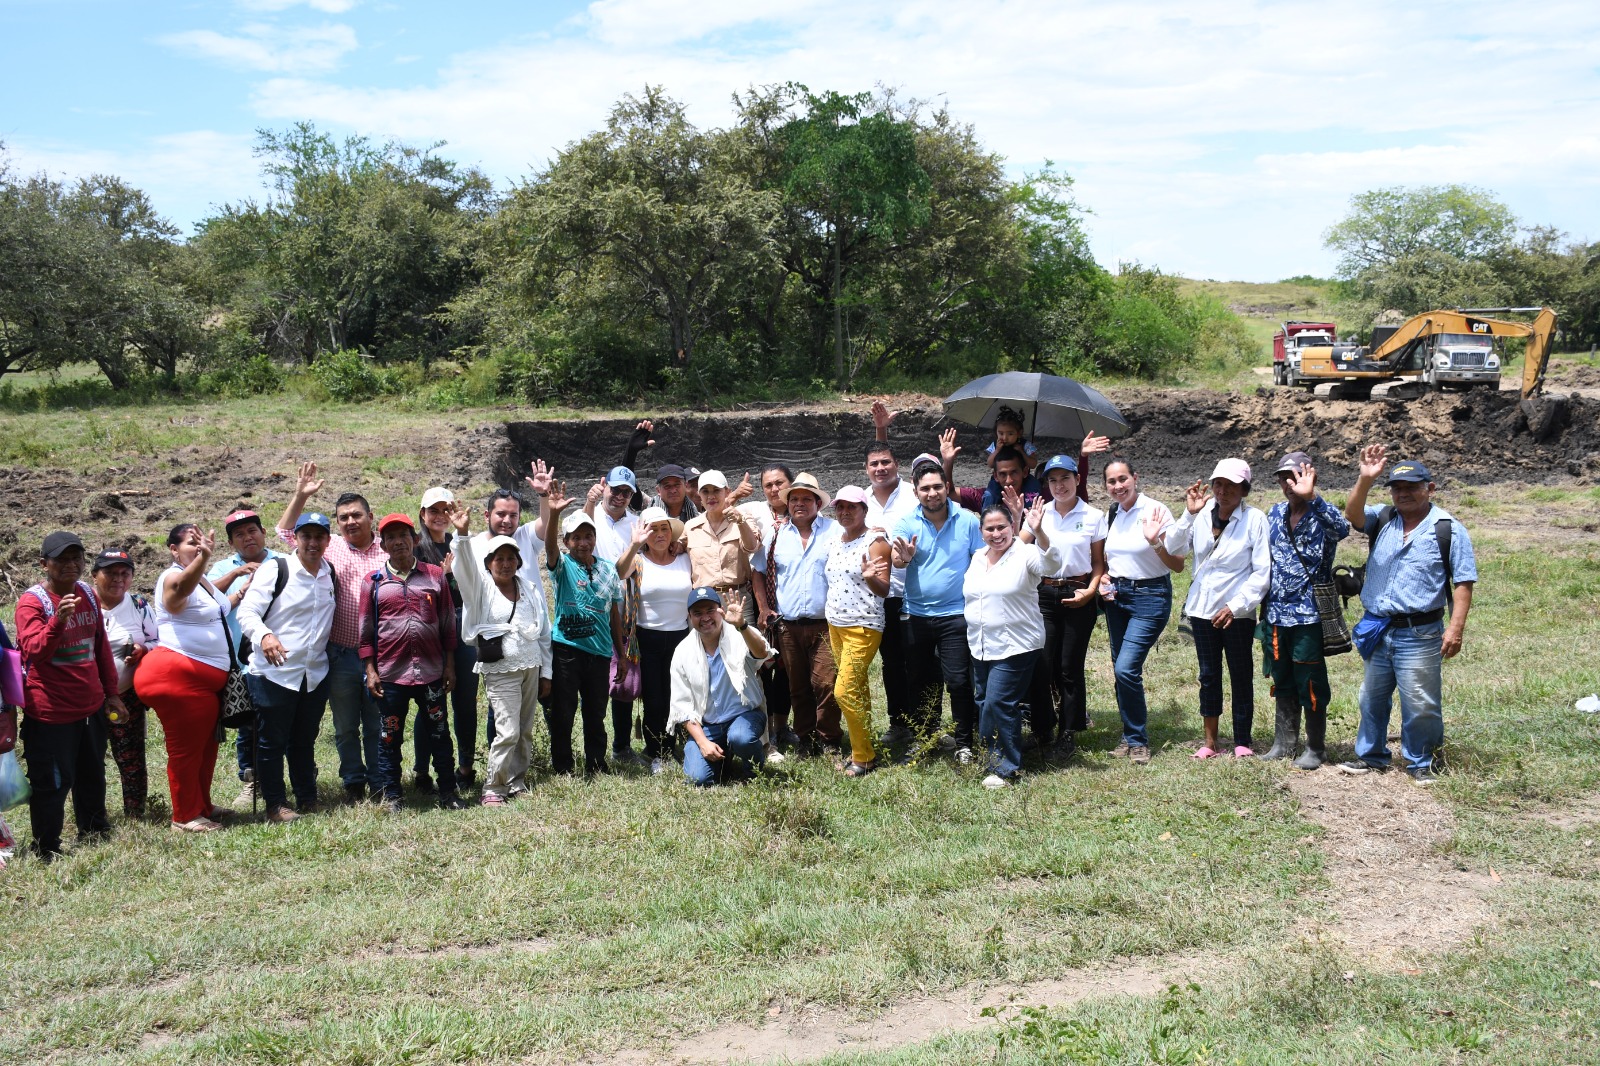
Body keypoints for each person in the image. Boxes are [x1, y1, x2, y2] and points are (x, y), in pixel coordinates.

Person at [1339, 448, 1476, 784]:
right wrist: (1365, 479)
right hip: (1378, 628)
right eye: (1397, 487)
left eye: (1412, 486)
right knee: (1371, 697)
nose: (1403, 493)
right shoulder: (1383, 518)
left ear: (1429, 488)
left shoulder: (1447, 528)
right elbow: (1352, 514)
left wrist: (1455, 628)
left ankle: (1421, 761)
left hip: (1421, 632)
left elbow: (1463, 582)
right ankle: (1371, 756)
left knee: (1421, 701)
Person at [278, 462, 388, 802]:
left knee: (376, 724)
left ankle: (380, 779)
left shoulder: (390, 548)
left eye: (356, 515)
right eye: (343, 517)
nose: (350, 521)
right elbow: (284, 534)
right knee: (344, 726)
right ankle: (353, 780)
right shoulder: (331, 546)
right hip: (339, 653)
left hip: (380, 655)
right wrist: (300, 495)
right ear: (337, 524)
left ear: (371, 517)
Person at [14, 532, 120, 860]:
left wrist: (111, 694)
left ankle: (94, 829)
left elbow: (100, 647)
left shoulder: (87, 593)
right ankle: (47, 846)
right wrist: (58, 620)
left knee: (92, 772)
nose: (71, 565)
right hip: (51, 713)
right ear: (44, 564)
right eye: (62, 559)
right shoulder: (33, 602)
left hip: (89, 706)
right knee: (54, 782)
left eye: (77, 558)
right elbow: (33, 651)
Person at [1164, 459, 1271, 759]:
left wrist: (1236, 606)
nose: (1223, 492)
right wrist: (1188, 512)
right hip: (1202, 610)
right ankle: (1210, 742)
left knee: (1240, 673)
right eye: (1219, 484)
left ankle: (1242, 741)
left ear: (1244, 490)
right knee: (1208, 674)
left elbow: (1261, 572)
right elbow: (1173, 546)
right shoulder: (1200, 517)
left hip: (1237, 613)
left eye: (1231, 486)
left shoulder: (1255, 520)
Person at [237, 512, 339, 823]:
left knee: (304, 739)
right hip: (274, 672)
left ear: (327, 541)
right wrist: (265, 635)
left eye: (319, 537)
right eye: (306, 536)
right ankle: (275, 804)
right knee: (271, 741)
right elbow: (247, 612)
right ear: (295, 538)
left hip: (313, 673)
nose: (312, 542)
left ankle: (307, 797)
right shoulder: (276, 569)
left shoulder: (328, 572)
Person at [359, 514, 464, 813]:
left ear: (415, 539)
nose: (398, 542)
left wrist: (450, 666)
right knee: (389, 737)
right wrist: (370, 670)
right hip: (391, 676)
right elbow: (365, 632)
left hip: (431, 674)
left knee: (440, 734)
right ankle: (393, 796)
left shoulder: (434, 576)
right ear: (383, 545)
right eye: (390, 537)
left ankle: (448, 792)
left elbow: (448, 626)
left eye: (403, 535)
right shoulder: (373, 583)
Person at [448, 504, 552, 805]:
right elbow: (464, 568)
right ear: (489, 562)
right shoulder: (480, 589)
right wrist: (463, 533)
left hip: (531, 664)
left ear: (518, 562)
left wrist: (546, 671)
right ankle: (493, 788)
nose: (505, 564)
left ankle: (516, 780)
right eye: (499, 559)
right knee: (506, 730)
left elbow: (542, 630)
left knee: (525, 730)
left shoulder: (530, 587)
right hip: (501, 669)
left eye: (510, 558)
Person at [135, 524, 234, 832]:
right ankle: (184, 815)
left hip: (201, 682)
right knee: (186, 751)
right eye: (192, 543)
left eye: (201, 543)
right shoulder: (172, 577)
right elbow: (178, 595)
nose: (198, 546)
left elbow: (221, 606)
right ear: (174, 550)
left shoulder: (203, 582)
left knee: (207, 746)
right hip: (178, 677)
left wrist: (240, 583)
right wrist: (204, 557)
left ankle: (202, 804)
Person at [890, 458, 985, 761]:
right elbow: (897, 560)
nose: (932, 493)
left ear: (946, 487)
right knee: (919, 681)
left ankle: (964, 743)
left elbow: (982, 563)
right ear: (916, 492)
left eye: (937, 486)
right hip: (916, 615)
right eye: (925, 488)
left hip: (956, 615)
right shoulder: (907, 523)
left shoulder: (969, 521)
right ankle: (924, 737)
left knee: (958, 681)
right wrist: (904, 558)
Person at [1260, 452, 1350, 770]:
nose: (1289, 483)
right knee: (1281, 675)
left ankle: (1315, 747)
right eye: (1284, 477)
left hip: (1309, 614)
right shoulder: (1273, 514)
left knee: (1309, 680)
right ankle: (1283, 743)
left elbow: (1343, 530)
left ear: (1310, 477)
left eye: (1295, 476)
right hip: (1274, 614)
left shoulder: (1323, 514)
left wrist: (1314, 498)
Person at [964, 500, 1061, 788]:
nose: (996, 534)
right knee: (983, 702)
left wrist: (1039, 531)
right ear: (981, 532)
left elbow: (1052, 563)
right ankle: (990, 755)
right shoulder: (978, 558)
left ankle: (1007, 768)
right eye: (990, 529)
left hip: (1016, 644)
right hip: (980, 644)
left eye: (1002, 527)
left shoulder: (1026, 553)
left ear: (1013, 526)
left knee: (999, 702)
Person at [1019, 455, 1106, 759]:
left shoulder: (1093, 515)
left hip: (1078, 594)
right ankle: (1042, 728)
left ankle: (1068, 732)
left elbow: (1098, 564)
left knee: (1070, 667)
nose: (1059, 485)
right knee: (1040, 663)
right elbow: (1018, 548)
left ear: (1077, 480)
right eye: (1053, 480)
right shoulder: (1039, 514)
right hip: (1043, 594)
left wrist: (1090, 593)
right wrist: (1026, 519)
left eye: (1065, 478)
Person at [1099, 457, 1184, 765]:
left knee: (1125, 669)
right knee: (1120, 668)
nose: (1118, 486)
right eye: (1111, 481)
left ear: (1135, 477)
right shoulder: (1113, 513)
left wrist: (1156, 542)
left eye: (1123, 479)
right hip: (1116, 598)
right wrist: (1107, 575)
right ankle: (1128, 734)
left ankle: (1137, 740)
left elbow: (1177, 565)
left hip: (1151, 596)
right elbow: (1112, 556)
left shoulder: (1156, 510)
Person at [753, 472, 844, 755]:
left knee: (826, 683)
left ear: (818, 503)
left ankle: (829, 738)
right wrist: (765, 607)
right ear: (788, 503)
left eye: (807, 498)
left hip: (826, 623)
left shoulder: (834, 531)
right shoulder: (776, 534)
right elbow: (758, 572)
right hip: (788, 625)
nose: (800, 504)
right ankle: (806, 738)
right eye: (795, 499)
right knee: (798, 685)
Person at [544, 486, 627, 775]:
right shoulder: (563, 566)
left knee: (596, 713)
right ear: (566, 541)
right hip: (568, 650)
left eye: (588, 536)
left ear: (595, 538)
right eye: (576, 537)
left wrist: (622, 654)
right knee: (564, 712)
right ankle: (563, 766)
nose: (583, 542)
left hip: (601, 653)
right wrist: (554, 514)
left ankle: (596, 763)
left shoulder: (608, 569)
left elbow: (614, 614)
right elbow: (550, 550)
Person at [207, 509, 285, 808]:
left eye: (252, 530)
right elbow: (210, 599)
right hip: (239, 660)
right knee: (247, 724)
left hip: (281, 656)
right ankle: (251, 782)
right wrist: (238, 576)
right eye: (239, 534)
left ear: (263, 532)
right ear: (230, 543)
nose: (247, 537)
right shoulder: (221, 568)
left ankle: (286, 778)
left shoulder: (282, 560)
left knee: (284, 722)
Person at [667, 587, 774, 786]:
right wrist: (702, 742)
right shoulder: (682, 651)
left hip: (744, 715)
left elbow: (761, 653)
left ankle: (754, 773)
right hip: (708, 726)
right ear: (689, 617)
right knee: (697, 779)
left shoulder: (739, 634)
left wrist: (742, 625)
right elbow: (682, 707)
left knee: (741, 737)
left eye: (710, 610)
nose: (705, 617)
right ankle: (724, 759)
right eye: (698, 613)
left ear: (720, 610)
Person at [413, 486, 479, 793]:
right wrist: (442, 577)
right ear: (423, 514)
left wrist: (453, 573)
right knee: (430, 701)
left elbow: (476, 584)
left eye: (446, 510)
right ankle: (422, 770)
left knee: (465, 701)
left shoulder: (461, 544)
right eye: (434, 511)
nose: (440, 517)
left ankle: (465, 766)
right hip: (430, 630)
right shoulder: (415, 548)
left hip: (462, 624)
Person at [618, 506, 693, 775]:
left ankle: (677, 745)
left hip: (681, 637)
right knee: (654, 700)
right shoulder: (637, 560)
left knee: (678, 696)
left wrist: (683, 545)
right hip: (647, 639)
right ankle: (657, 752)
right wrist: (634, 544)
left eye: (664, 529)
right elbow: (619, 571)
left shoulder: (684, 558)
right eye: (653, 529)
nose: (659, 535)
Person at [824, 485, 893, 775]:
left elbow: (884, 589)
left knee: (844, 691)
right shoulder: (837, 540)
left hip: (863, 626)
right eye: (840, 507)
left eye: (852, 507)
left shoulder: (876, 541)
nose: (845, 512)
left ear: (864, 510)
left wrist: (870, 578)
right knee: (859, 690)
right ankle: (863, 746)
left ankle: (863, 756)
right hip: (835, 625)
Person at [864, 410, 920, 750]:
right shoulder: (860, 500)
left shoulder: (914, 494)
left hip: (913, 590)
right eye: (874, 464)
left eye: (885, 462)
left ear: (896, 463)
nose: (880, 468)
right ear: (866, 469)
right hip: (877, 594)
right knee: (891, 662)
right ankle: (900, 723)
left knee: (918, 660)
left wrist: (882, 430)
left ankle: (923, 723)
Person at [90, 549, 158, 817]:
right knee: (89, 757)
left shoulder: (139, 604)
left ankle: (135, 812)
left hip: (127, 694)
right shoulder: (83, 603)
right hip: (88, 697)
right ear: (95, 575)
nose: (118, 579)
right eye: (110, 573)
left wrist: (143, 648)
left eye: (125, 573)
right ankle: (93, 814)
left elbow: (159, 640)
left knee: (130, 756)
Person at [584, 464, 643, 765]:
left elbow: (634, 567)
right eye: (616, 489)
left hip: (624, 610)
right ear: (603, 484)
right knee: (593, 683)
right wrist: (590, 502)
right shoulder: (589, 514)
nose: (619, 497)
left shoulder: (637, 523)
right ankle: (593, 750)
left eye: (626, 492)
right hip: (590, 611)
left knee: (623, 680)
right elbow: (578, 533)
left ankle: (621, 746)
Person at [739, 463, 795, 754]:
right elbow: (721, 508)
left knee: (785, 668)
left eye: (780, 483)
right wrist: (762, 608)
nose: (775, 489)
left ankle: (781, 726)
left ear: (791, 483)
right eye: (768, 485)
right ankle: (764, 731)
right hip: (757, 599)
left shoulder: (804, 511)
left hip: (792, 602)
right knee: (760, 665)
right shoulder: (755, 511)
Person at [683, 470, 760, 625]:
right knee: (707, 648)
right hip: (703, 601)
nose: (711, 496)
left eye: (716, 490)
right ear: (699, 495)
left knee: (744, 646)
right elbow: (676, 549)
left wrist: (741, 522)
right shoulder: (690, 527)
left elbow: (752, 547)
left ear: (727, 492)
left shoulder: (743, 517)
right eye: (705, 491)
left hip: (737, 599)